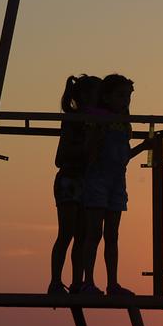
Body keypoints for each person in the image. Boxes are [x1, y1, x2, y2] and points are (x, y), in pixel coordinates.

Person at [81, 73, 137, 296]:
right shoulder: (96, 118)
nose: (126, 100)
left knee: (112, 235)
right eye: (121, 95)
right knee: (94, 232)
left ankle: (112, 283)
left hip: (117, 181)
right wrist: (98, 133)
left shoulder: (124, 123)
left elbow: (123, 155)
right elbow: (89, 149)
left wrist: (144, 147)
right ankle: (88, 282)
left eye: (128, 96)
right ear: (107, 97)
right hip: (97, 179)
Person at [49, 74, 102, 295]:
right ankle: (55, 282)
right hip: (70, 181)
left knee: (83, 234)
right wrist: (87, 148)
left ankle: (77, 282)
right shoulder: (72, 120)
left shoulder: (98, 121)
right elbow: (60, 158)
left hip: (86, 182)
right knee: (67, 233)